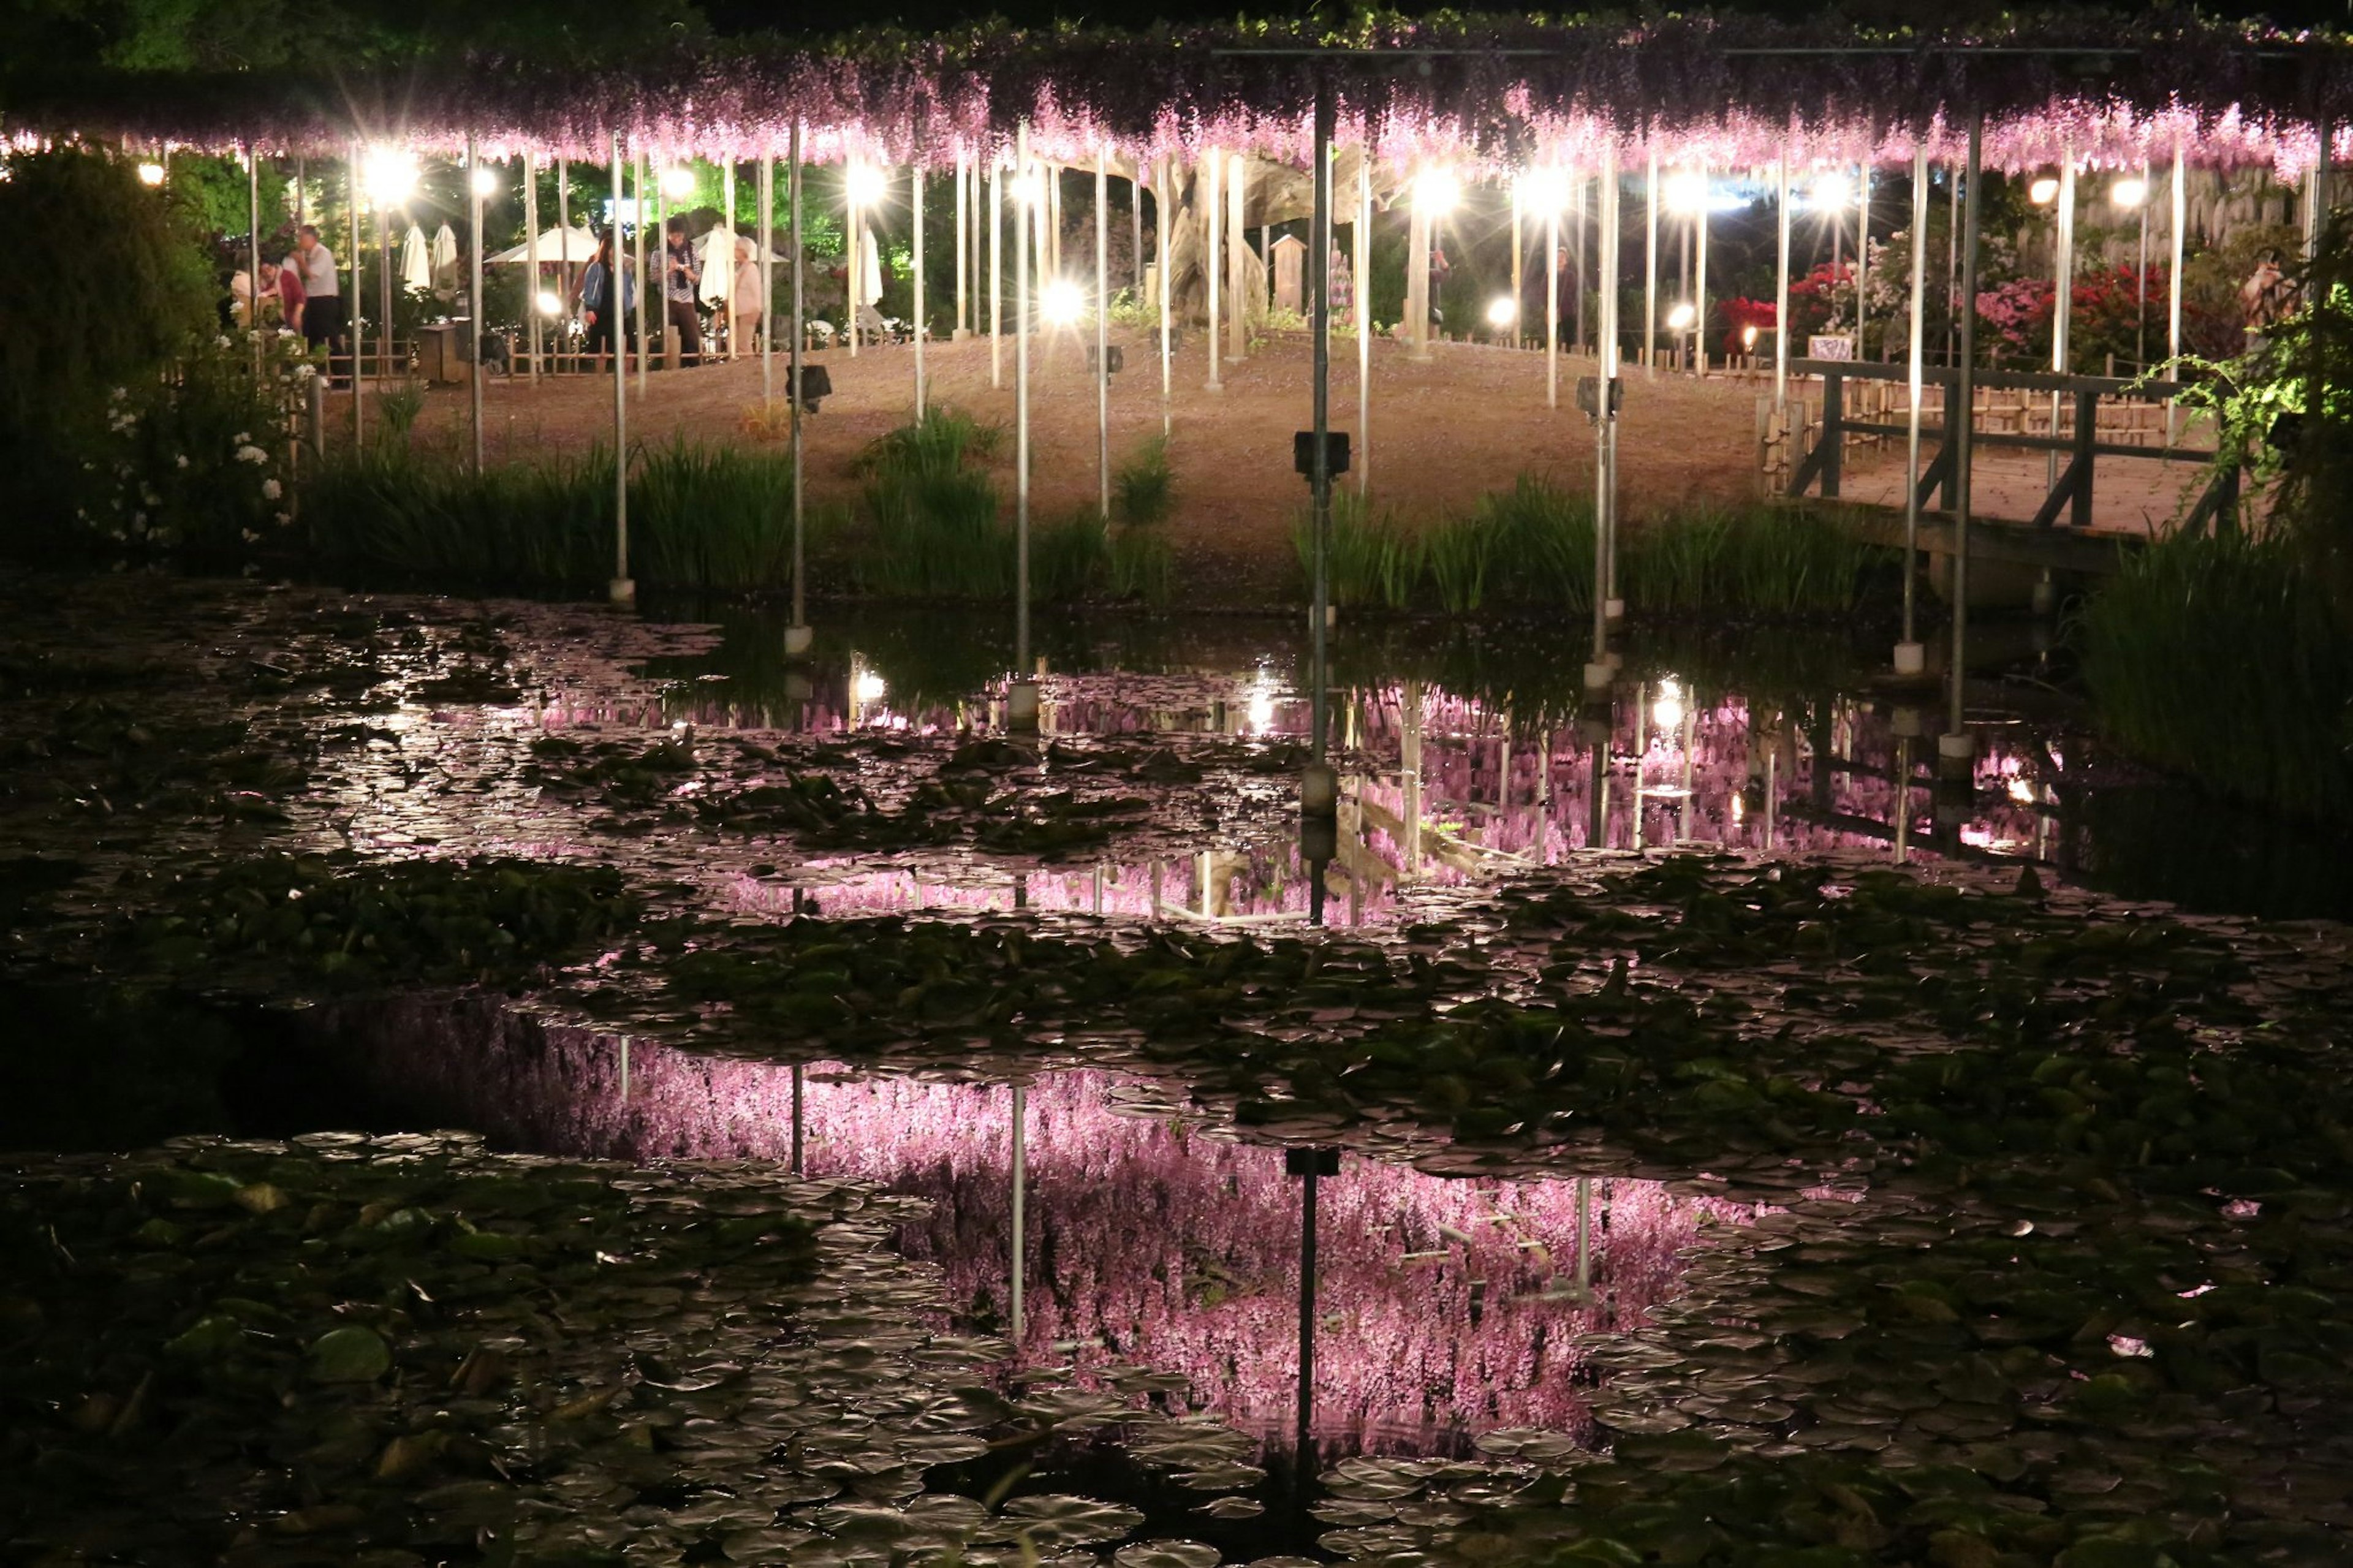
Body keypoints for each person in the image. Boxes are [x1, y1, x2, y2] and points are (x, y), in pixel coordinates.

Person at [292, 225, 346, 383]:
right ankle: (310, 376)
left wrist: (301, 261)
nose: (299, 242)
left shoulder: (323, 253)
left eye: (301, 238)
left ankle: (343, 376)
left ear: (310, 238)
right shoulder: (310, 255)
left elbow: (312, 275)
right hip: (313, 300)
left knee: (330, 337)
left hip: (325, 300)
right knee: (311, 337)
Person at [578, 228, 635, 373]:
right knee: (602, 347)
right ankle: (601, 374)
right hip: (602, 311)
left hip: (622, 311)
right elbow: (589, 289)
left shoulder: (625, 270)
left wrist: (630, 304)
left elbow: (629, 289)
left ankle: (627, 373)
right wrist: (590, 309)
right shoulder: (596, 268)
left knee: (629, 345)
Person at [663, 217, 703, 366]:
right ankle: (671, 364)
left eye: (679, 236)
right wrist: (669, 271)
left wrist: (691, 275)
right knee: (671, 336)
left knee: (692, 335)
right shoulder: (660, 251)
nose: (676, 240)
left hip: (687, 298)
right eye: (673, 236)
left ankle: (695, 364)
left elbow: (698, 276)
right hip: (669, 298)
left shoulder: (691, 249)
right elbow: (654, 277)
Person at [732, 235, 763, 357]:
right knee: (739, 343)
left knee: (744, 344)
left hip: (749, 311)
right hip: (740, 311)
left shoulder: (751, 269)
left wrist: (756, 309)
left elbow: (756, 291)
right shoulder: (739, 269)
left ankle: (747, 369)